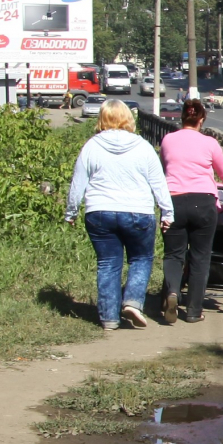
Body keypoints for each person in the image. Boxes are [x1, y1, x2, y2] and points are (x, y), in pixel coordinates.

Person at [65, 100, 173, 330]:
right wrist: (167, 212)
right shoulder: (142, 146)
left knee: (108, 263)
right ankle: (133, 301)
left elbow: (78, 184)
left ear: (102, 119)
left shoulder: (91, 146)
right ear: (128, 119)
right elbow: (158, 183)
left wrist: (71, 212)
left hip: (99, 212)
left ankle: (109, 319)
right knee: (141, 258)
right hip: (138, 212)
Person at [159, 99, 223, 324]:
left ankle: (173, 291)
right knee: (200, 257)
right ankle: (194, 311)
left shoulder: (168, 140)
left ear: (181, 117)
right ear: (201, 119)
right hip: (203, 203)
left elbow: (164, 167)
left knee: (173, 254)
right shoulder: (210, 143)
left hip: (173, 202)